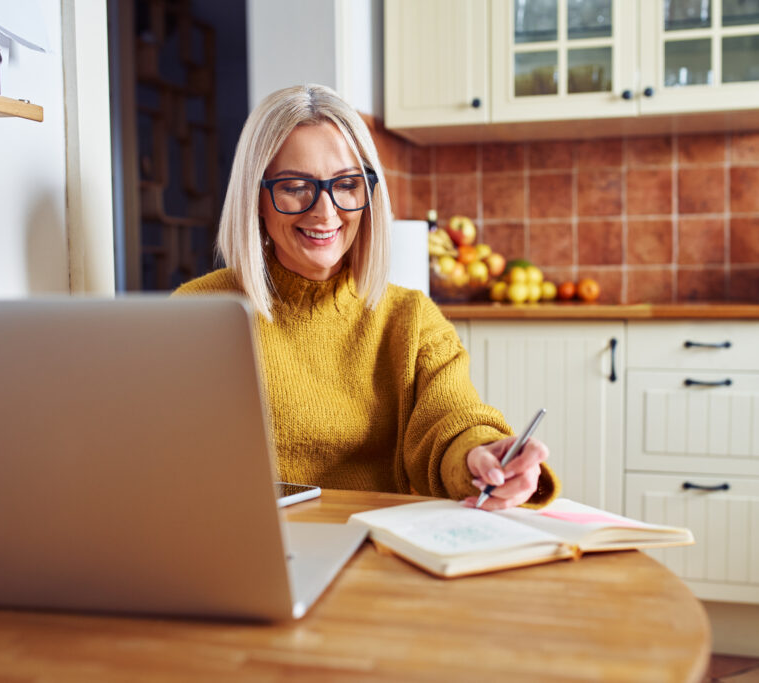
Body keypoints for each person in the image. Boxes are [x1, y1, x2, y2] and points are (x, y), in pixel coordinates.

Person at [174, 84, 558, 510]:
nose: (324, 211)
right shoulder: (196, 314)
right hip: (245, 548)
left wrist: (481, 458)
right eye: (295, 186)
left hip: (371, 547)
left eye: (347, 184)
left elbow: (451, 422)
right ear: (257, 198)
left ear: (368, 195)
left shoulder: (410, 318)